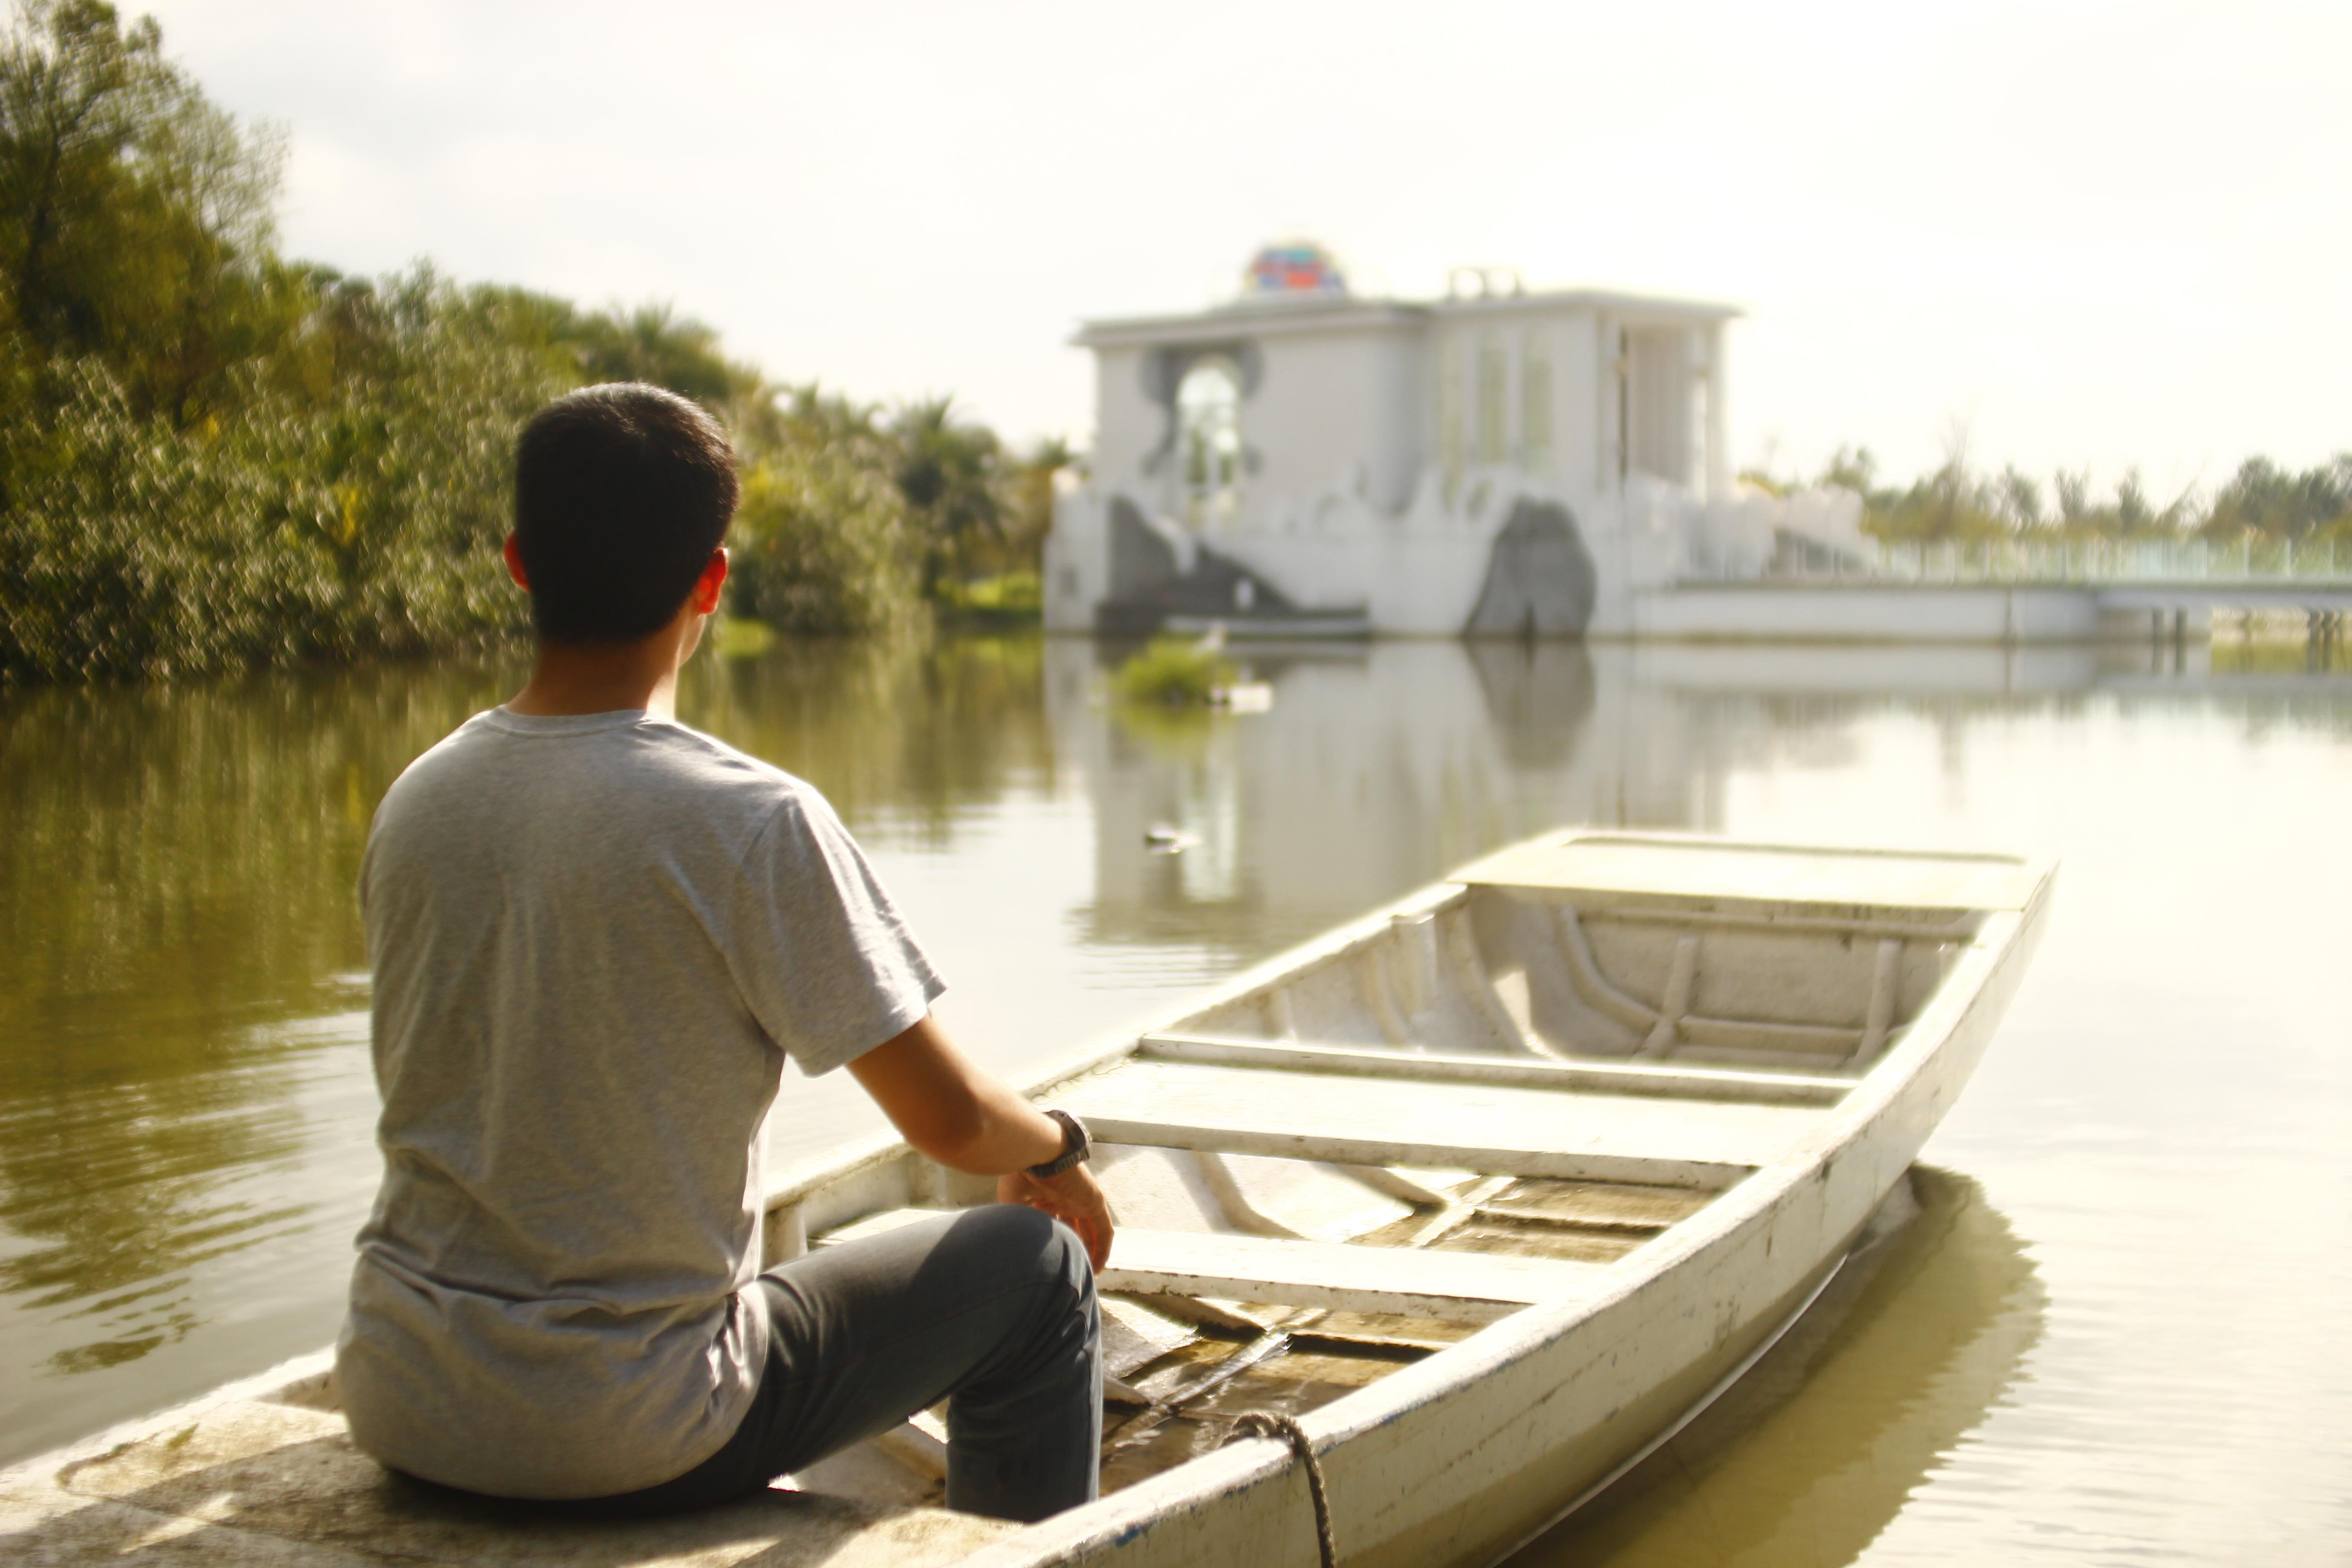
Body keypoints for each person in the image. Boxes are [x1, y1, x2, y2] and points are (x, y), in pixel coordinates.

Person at [337, 382, 1113, 1523]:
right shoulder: (749, 819)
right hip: (632, 1425)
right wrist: (1060, 1144)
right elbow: (948, 1126)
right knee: (1037, 1274)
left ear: (518, 563)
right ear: (712, 580)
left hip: (401, 1396)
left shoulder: (421, 798)